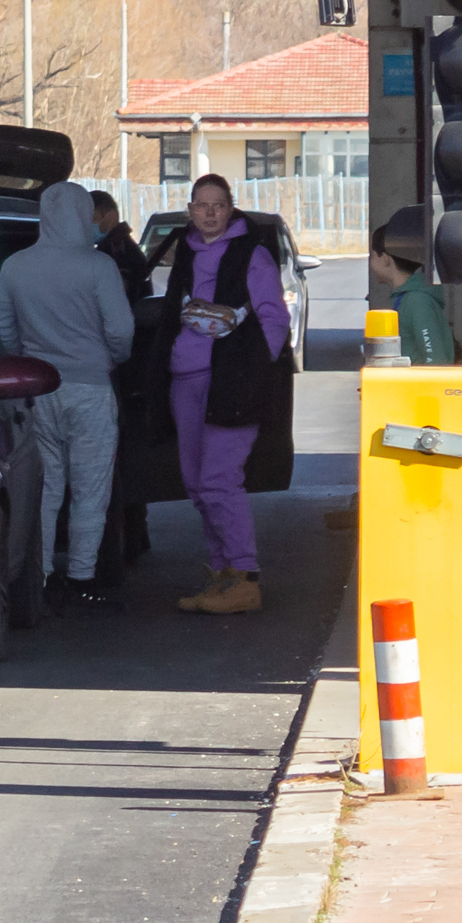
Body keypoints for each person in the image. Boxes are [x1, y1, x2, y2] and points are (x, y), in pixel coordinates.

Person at [0, 182, 135, 608]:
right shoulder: (99, 267)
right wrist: (108, 359)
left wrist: (23, 364)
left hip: (37, 391)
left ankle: (41, 573)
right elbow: (122, 330)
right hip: (90, 389)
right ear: (83, 214)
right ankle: (82, 577)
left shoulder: (16, 267)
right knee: (91, 486)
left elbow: (1, 329)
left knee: (44, 486)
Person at [160, 174, 288, 616]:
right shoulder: (186, 254)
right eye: (202, 204)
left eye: (218, 204)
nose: (210, 212)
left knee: (219, 480)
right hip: (186, 381)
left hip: (232, 381)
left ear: (231, 208)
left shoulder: (251, 255)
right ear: (190, 209)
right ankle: (220, 575)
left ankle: (244, 577)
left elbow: (274, 319)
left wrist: (254, 371)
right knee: (197, 485)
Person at [89, 191, 157, 563]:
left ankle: (129, 531)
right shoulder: (108, 252)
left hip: (121, 370)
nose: (92, 222)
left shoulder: (121, 255)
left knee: (121, 455)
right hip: (115, 369)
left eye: (95, 214)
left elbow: (126, 317)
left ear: (108, 214)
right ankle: (130, 531)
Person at [371, 205, 458, 366]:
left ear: (384, 259)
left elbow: (436, 361)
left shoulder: (416, 301)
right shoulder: (408, 298)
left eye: (372, 256)